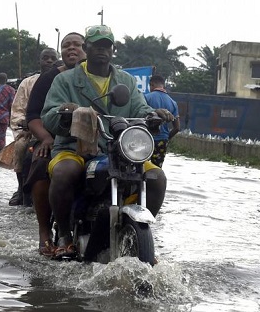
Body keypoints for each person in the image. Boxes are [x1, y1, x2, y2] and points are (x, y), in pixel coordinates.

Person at [41, 25, 175, 257]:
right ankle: (64, 235)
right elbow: (49, 115)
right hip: (73, 148)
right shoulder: (65, 80)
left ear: (113, 49)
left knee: (156, 178)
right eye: (96, 45)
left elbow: (140, 108)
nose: (102, 50)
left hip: (117, 149)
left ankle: (136, 233)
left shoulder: (126, 81)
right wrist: (66, 111)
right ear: (87, 48)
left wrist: (154, 115)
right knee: (65, 172)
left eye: (106, 46)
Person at [26, 33, 86, 256]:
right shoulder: (51, 77)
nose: (72, 49)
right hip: (52, 139)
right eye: (66, 45)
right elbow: (32, 115)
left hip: (95, 142)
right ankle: (44, 232)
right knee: (41, 164)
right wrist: (46, 138)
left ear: (86, 48)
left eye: (77, 45)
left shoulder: (100, 76)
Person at [7, 47, 58, 207]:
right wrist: (25, 125)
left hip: (57, 130)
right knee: (21, 148)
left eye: (52, 58)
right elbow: (18, 110)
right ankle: (21, 189)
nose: (49, 61)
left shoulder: (63, 79)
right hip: (31, 131)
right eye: (45, 58)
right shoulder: (27, 83)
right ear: (40, 61)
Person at [144, 75, 180, 167]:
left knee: (140, 168)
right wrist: (166, 138)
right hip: (162, 140)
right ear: (163, 85)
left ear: (151, 85)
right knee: (156, 170)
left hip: (146, 139)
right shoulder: (173, 102)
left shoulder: (146, 98)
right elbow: (177, 128)